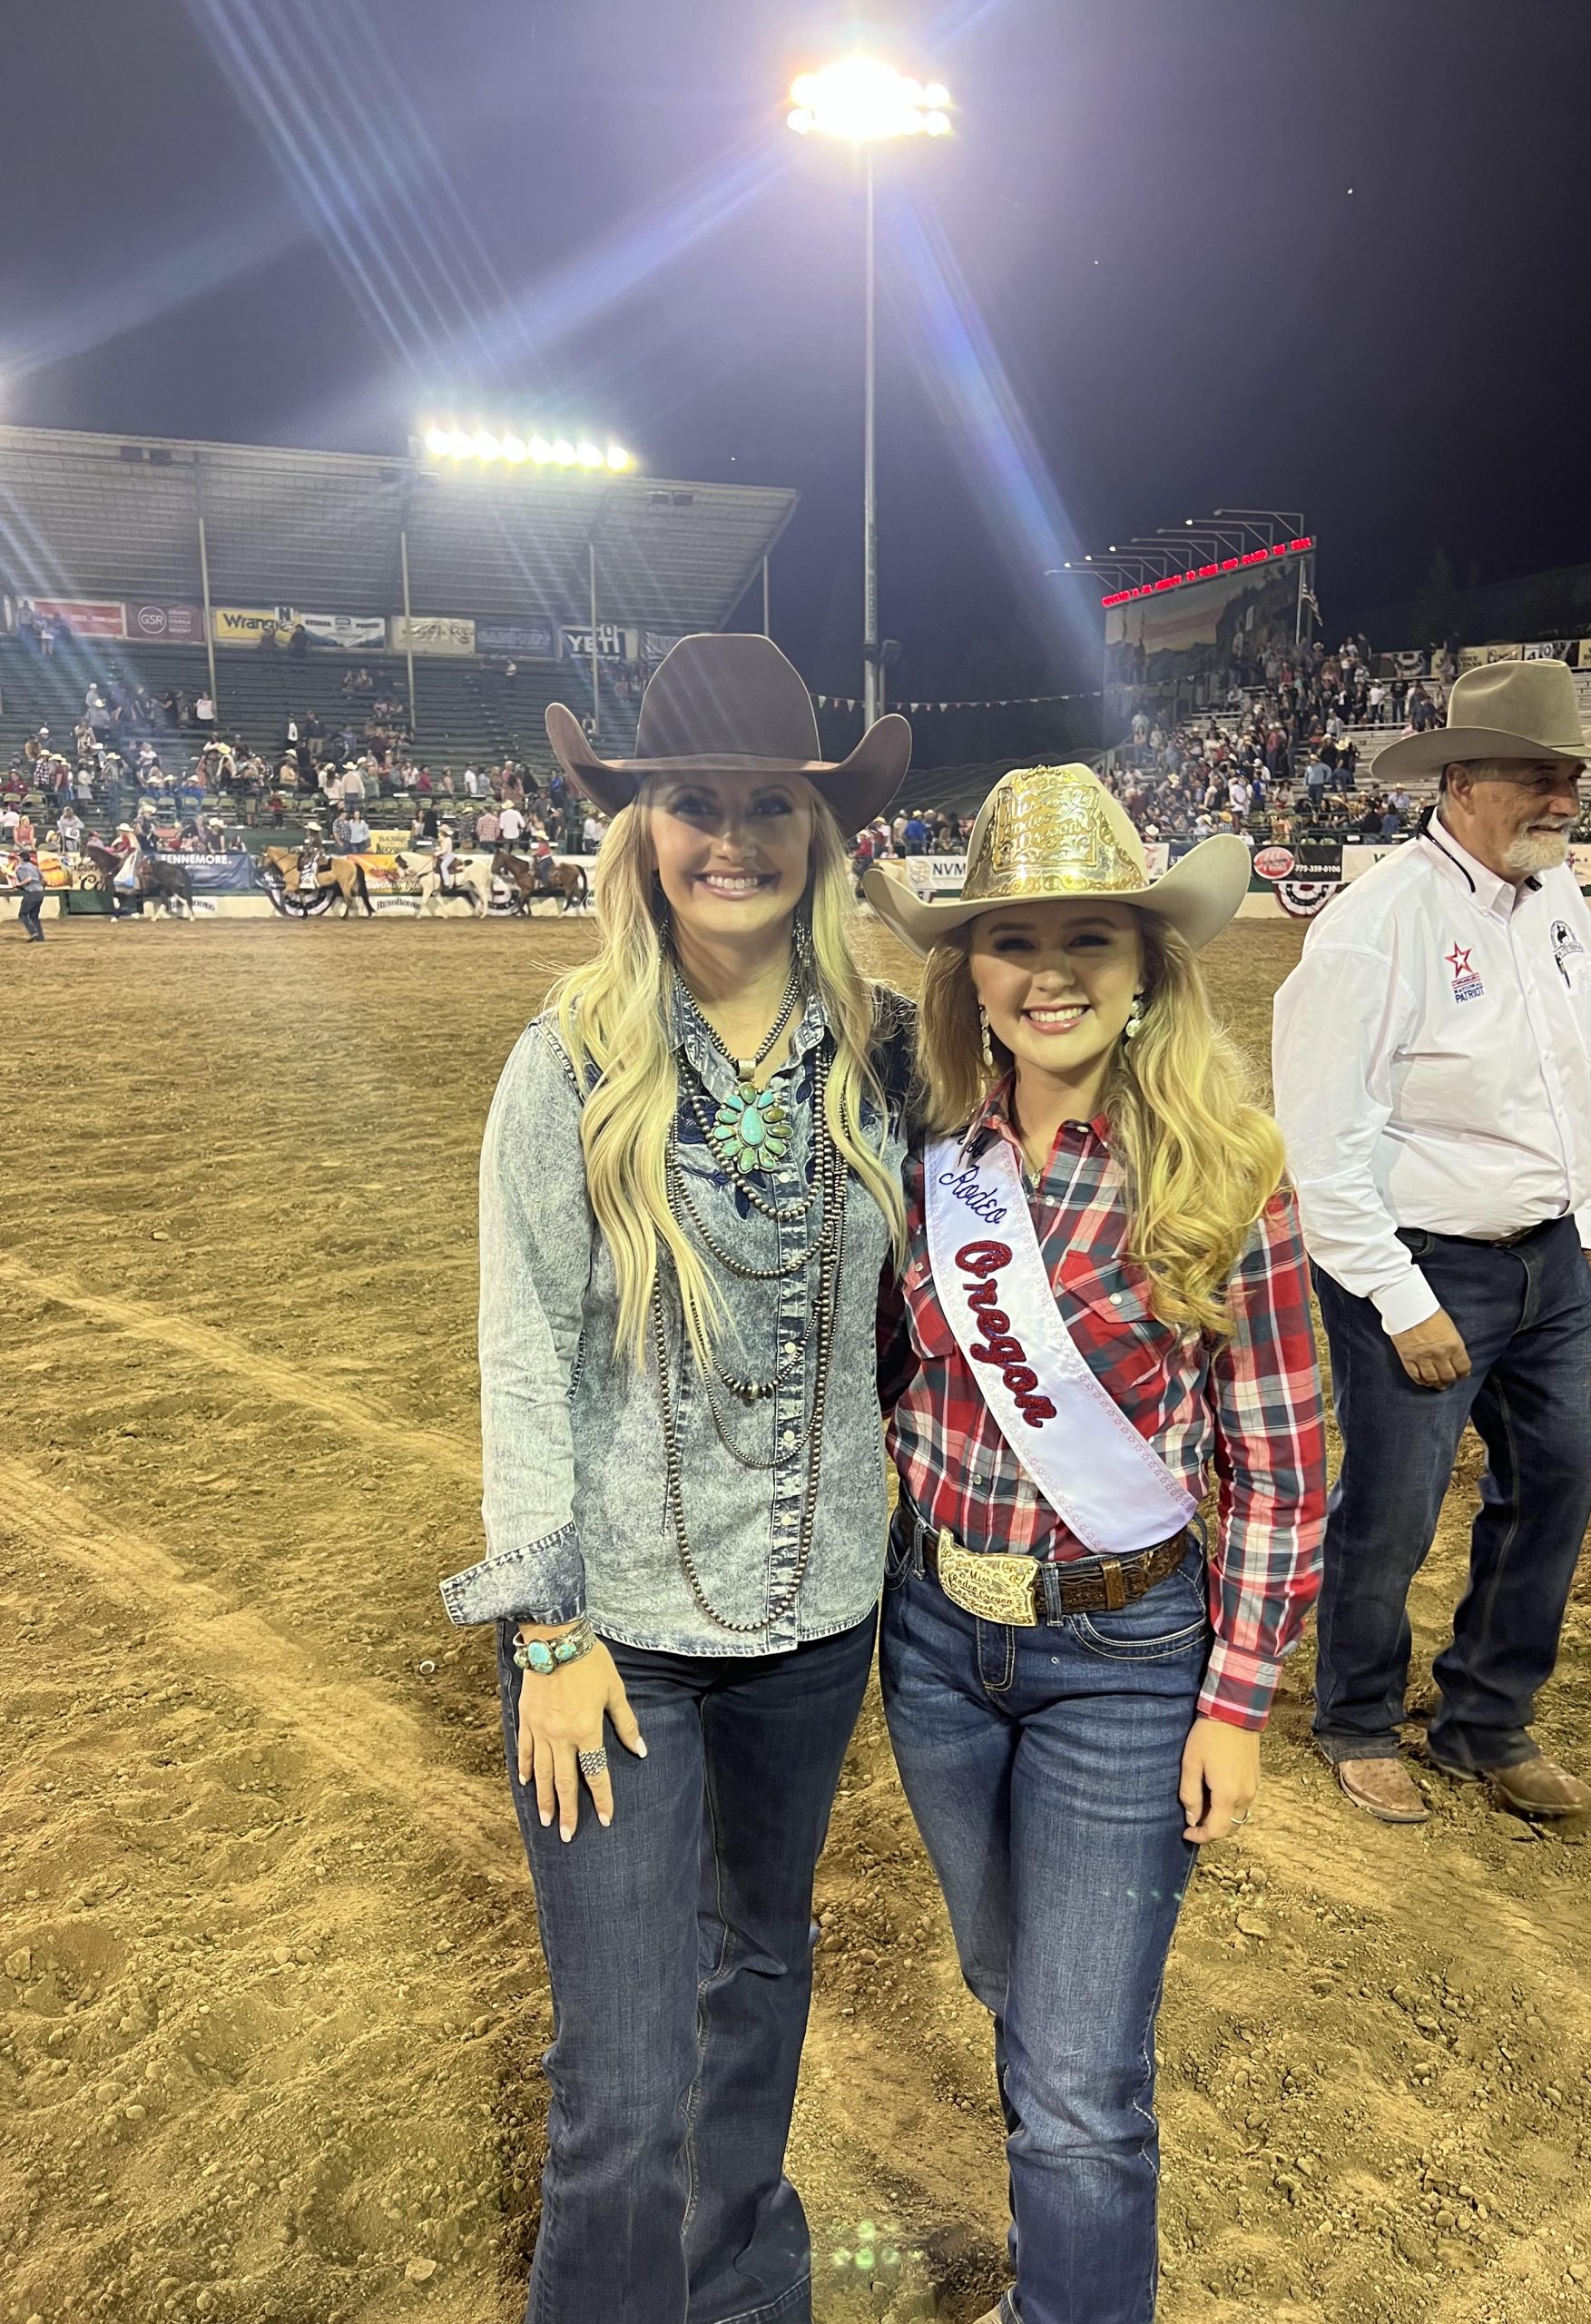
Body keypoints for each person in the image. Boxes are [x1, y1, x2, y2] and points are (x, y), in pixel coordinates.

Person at [440, 635, 914, 2324]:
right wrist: (548, 1636)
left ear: (819, 830)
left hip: (817, 1620)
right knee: (625, 2077)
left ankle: (739, 2291)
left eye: (770, 804)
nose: (733, 837)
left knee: (764, 1976)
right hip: (618, 1639)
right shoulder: (569, 1060)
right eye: (694, 803)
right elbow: (522, 1354)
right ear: (638, 831)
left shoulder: (890, 1054)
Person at [861, 765, 1325, 2324]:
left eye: (1089, 940)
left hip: (1125, 1658)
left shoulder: (1227, 1165)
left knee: (1077, 2073)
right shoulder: (934, 1151)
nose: (1047, 973)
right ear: (969, 973)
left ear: (1144, 969)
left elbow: (1282, 1462)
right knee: (1016, 1991)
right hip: (935, 1640)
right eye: (1012, 940)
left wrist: (1237, 1701)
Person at [1272, 661, 1591, 1827]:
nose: (1563, 797)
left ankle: (1486, 1719)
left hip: (1548, 1259)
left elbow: (1567, 1076)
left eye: (1569, 775)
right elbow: (1321, 1145)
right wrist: (1402, 1301)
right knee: (1393, 1507)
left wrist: (1575, 1219)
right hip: (1421, 1259)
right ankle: (1355, 1716)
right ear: (1458, 782)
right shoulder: (1373, 926)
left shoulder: (1558, 896)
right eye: (1535, 775)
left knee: (1555, 1485)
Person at [13, 848, 46, 942]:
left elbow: (28, 879)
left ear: (21, 858)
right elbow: (43, 878)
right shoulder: (34, 867)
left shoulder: (21, 867)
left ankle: (33, 932)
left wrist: (18, 885)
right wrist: (40, 886)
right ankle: (40, 937)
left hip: (31, 892)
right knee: (34, 915)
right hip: (40, 892)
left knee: (23, 914)